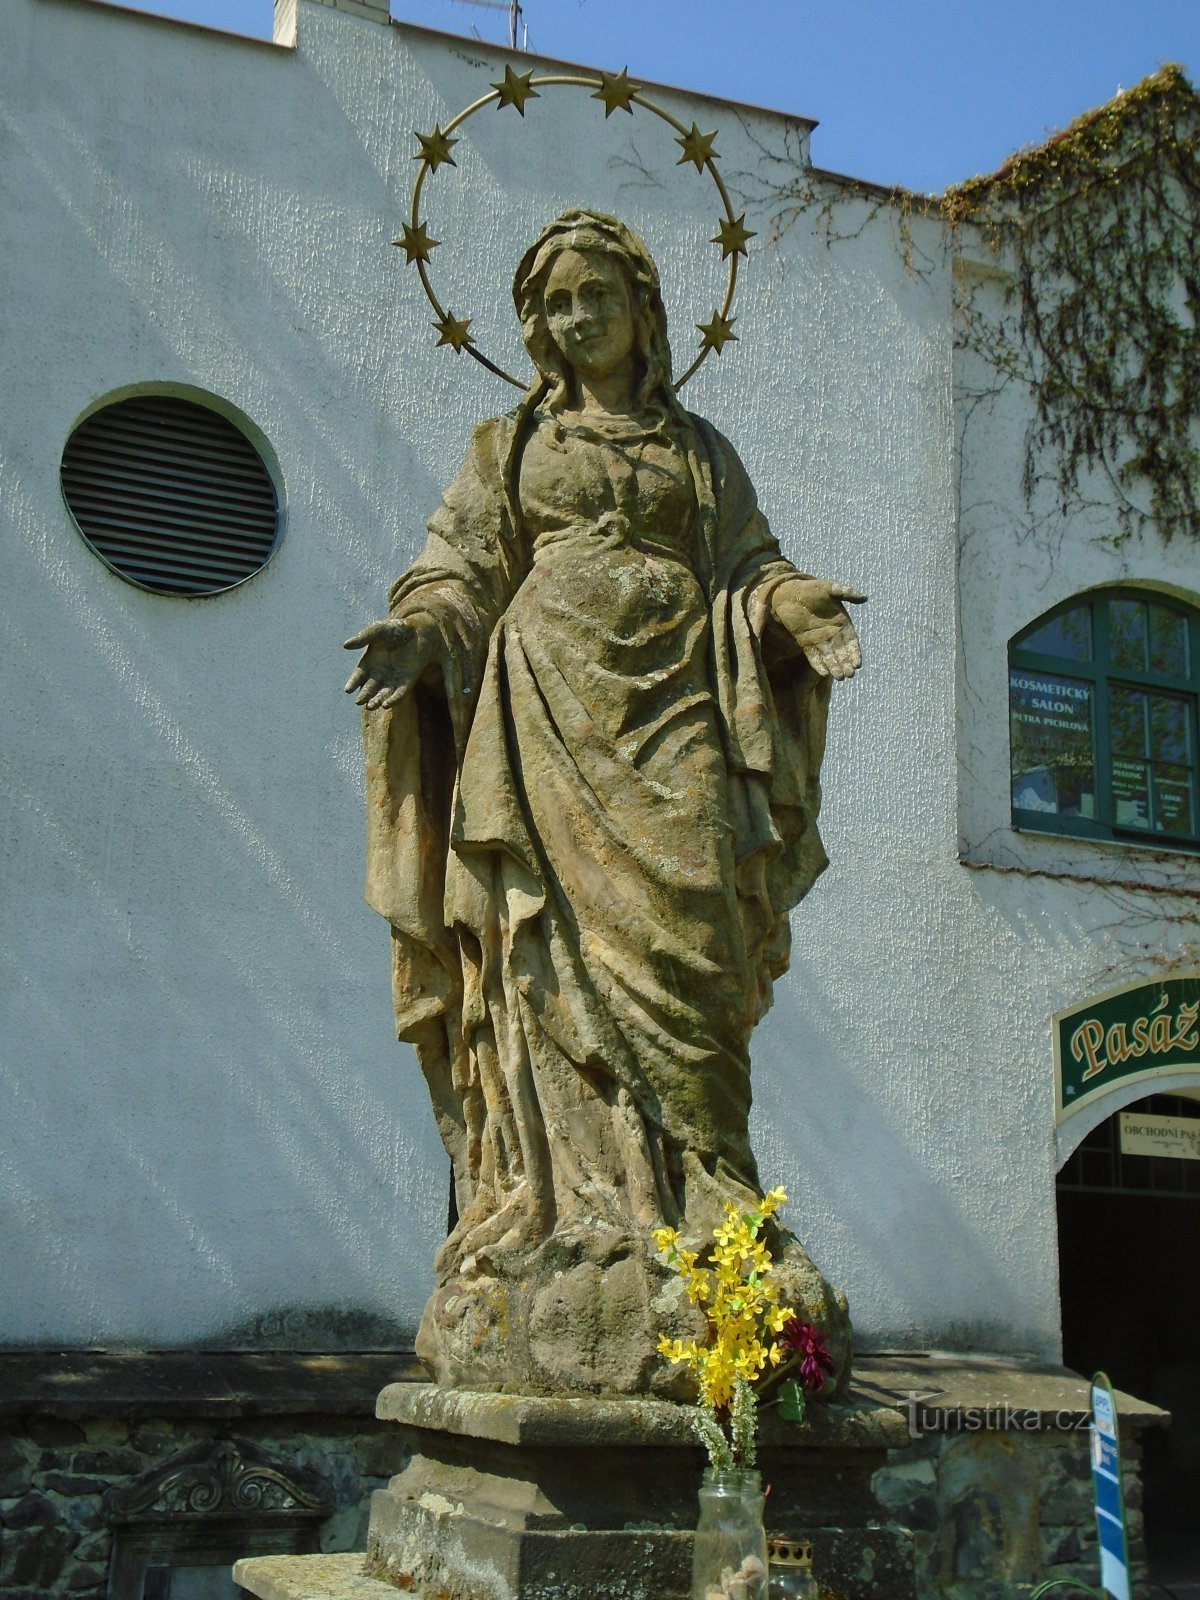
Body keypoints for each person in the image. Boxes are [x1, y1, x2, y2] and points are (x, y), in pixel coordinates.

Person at [345, 210, 861, 1393]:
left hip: (680, 709)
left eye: (598, 298)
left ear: (643, 306)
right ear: (539, 325)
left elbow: (749, 565)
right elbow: (458, 567)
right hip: (542, 717)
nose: (579, 321)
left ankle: (713, 1199)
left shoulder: (702, 451)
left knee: (696, 950)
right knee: (552, 966)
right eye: (558, 305)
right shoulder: (506, 445)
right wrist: (422, 634)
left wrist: (792, 607)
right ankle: (577, 1207)